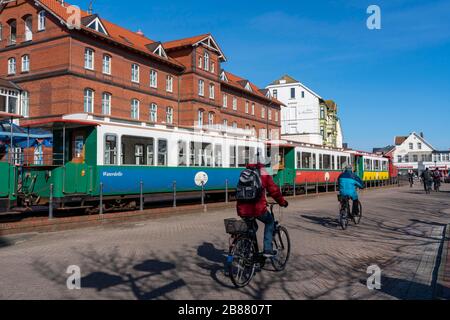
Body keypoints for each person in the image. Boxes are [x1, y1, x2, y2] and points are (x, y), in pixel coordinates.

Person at [236, 162, 288, 258]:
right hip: (256, 209)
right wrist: (282, 202)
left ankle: (247, 251)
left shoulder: (244, 172)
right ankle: (267, 249)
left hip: (242, 209)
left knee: (252, 228)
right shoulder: (263, 173)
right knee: (270, 222)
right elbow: (274, 190)